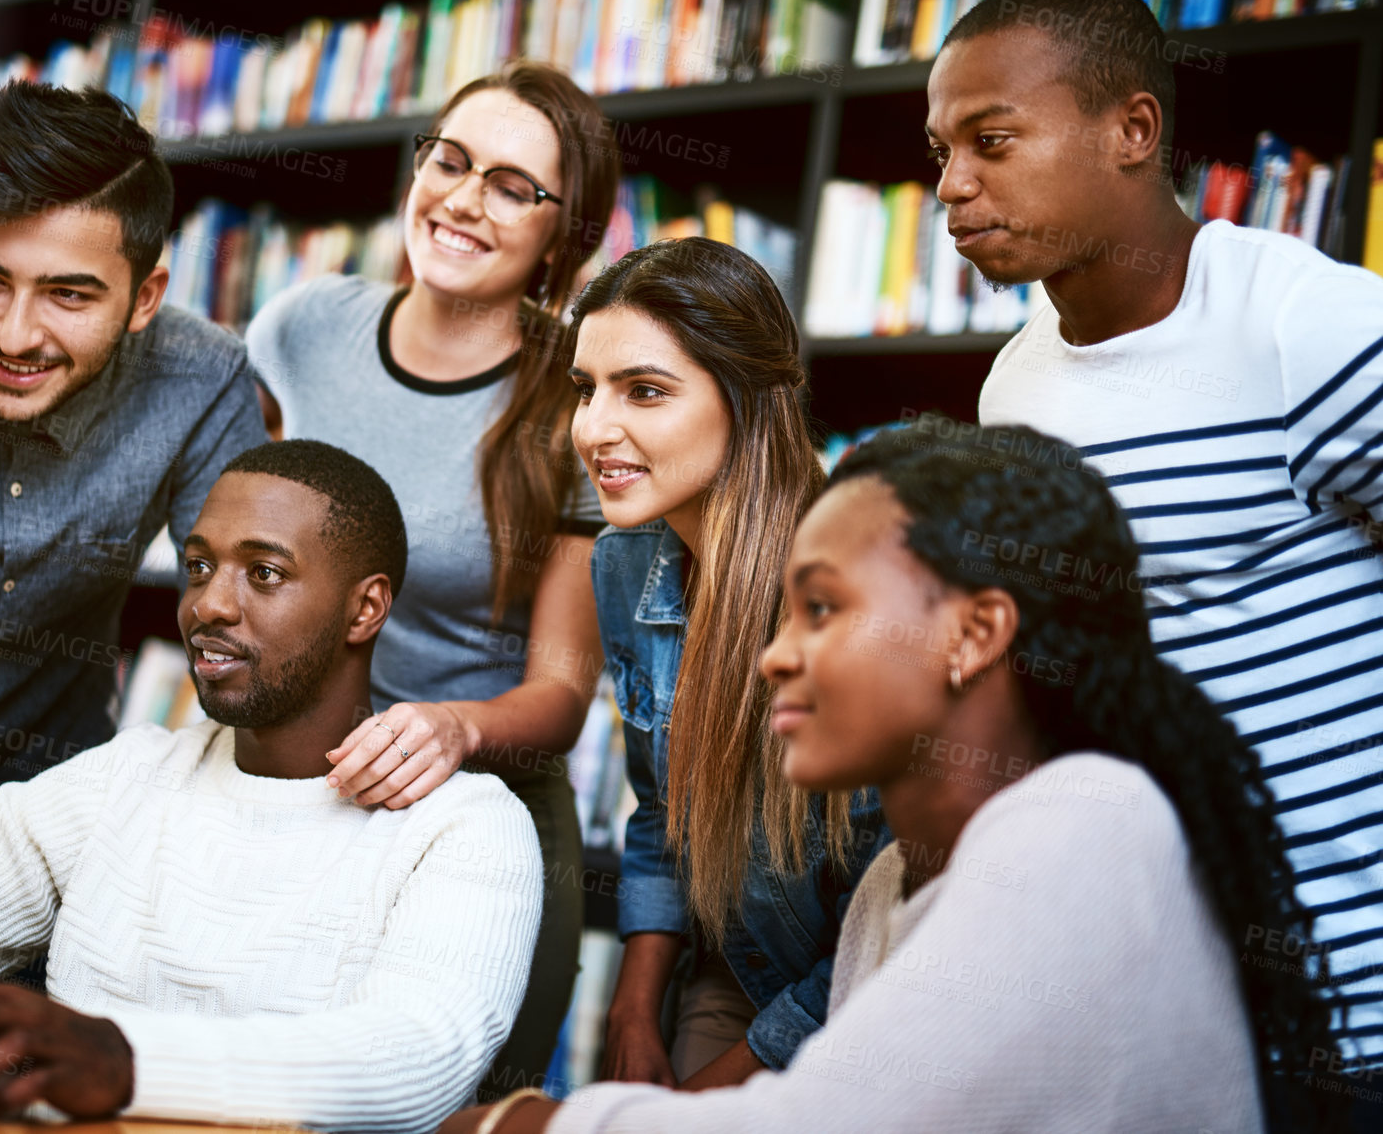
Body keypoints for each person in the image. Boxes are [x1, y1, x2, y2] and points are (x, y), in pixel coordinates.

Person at [444, 417, 1343, 1133]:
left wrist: (522, 1122)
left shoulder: (1084, 823)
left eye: (823, 608)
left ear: (972, 633)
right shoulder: (888, 882)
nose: (772, 658)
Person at [0, 441, 542, 1132]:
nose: (207, 604)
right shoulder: (123, 777)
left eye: (264, 572)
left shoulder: (466, 828)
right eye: (200, 564)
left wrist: (120, 1057)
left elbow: (414, 1059)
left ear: (364, 608)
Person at [927, 0, 1383, 1068]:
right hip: (1172, 1019)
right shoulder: (1013, 391)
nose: (951, 185)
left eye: (993, 141)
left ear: (1134, 129)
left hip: (1359, 1013)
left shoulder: (1306, 325)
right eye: (941, 149)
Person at [244, 59, 620, 1095]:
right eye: (451, 160)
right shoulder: (301, 327)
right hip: (306, 793)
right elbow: (246, 552)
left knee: (460, 1108)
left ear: (564, 232)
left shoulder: (578, 400)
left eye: (512, 186)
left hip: (481, 809)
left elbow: (557, 698)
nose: (462, 199)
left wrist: (450, 727)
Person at [0, 81, 266, 887]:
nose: (15, 333)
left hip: (53, 845)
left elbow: (253, 607)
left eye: (68, 294)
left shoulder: (201, 377)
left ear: (144, 298)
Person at [566, 239, 887, 1091]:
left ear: (745, 400)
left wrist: (716, 1093)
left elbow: (887, 924)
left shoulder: (866, 595)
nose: (595, 428)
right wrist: (634, 1007)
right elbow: (663, 815)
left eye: (643, 390)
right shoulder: (623, 562)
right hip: (736, 969)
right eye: (584, 389)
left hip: (869, 998)